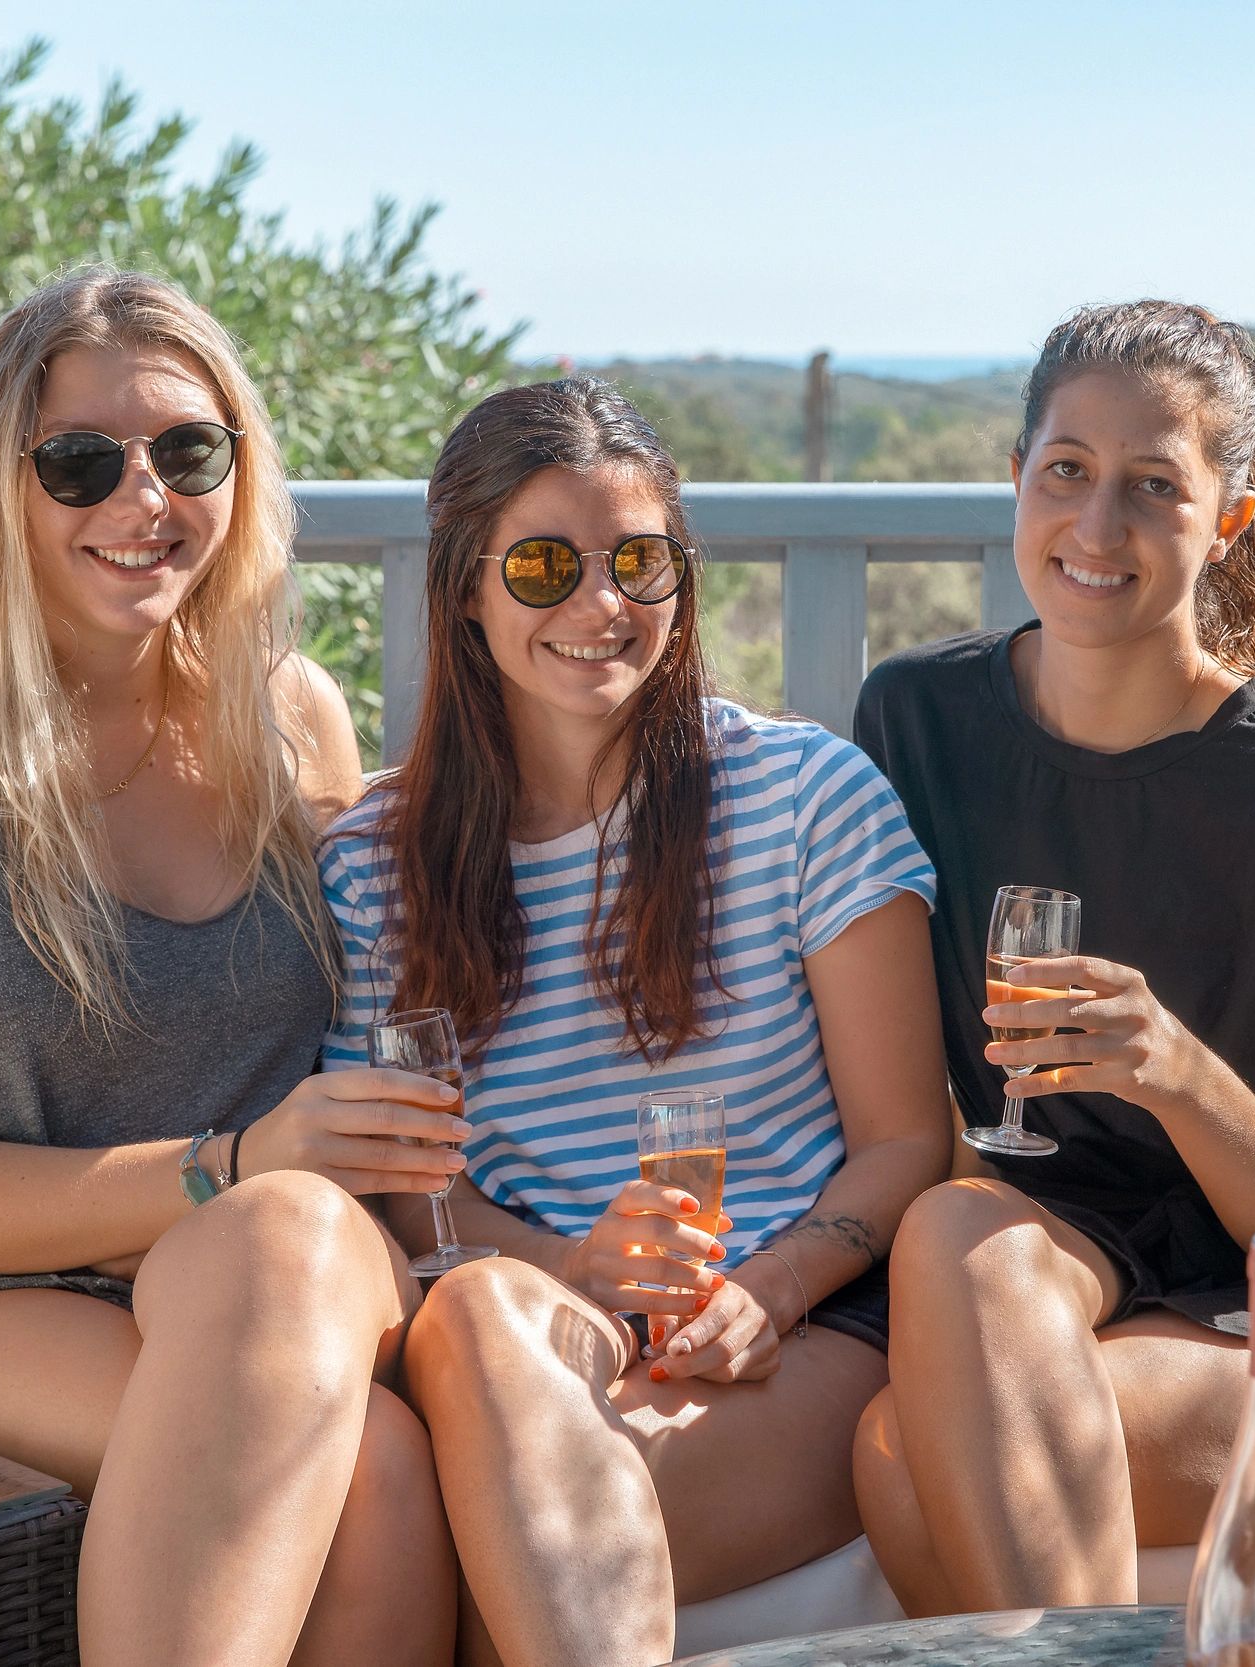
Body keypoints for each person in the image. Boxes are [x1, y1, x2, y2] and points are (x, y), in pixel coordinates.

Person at [0, 267, 461, 1666]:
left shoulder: (290, 719)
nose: (143, 503)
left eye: (188, 452)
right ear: (3, 495)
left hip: (280, 1282)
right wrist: (236, 1161)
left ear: (241, 470)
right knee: (361, 1439)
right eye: (81, 465)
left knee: (312, 1298)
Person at [849, 300, 1255, 1616]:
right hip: (1077, 1248)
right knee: (945, 1245)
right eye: (1069, 473)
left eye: (1155, 486)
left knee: (914, 1454)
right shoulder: (919, 724)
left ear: (1228, 519)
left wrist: (1172, 1070)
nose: (1098, 529)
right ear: (1018, 482)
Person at [318, 377, 950, 1667]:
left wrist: (769, 1289)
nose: (601, 606)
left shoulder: (806, 796)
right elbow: (401, 1192)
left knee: (504, 1555)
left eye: (640, 563)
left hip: (794, 1336)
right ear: (465, 590)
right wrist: (574, 1271)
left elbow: (906, 1143)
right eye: (545, 565)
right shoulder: (371, 860)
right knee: (485, 1319)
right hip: (522, 1334)